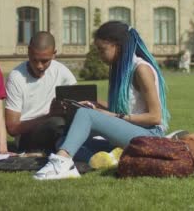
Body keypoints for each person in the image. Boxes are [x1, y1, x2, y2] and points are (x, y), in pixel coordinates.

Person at [34, 21, 171, 180]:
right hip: (132, 133)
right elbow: (130, 108)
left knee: (86, 115)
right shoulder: (121, 70)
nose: (99, 55)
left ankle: (62, 163)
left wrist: (109, 116)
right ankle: (113, 160)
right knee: (63, 141)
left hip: (150, 135)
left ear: (117, 46)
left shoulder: (141, 70)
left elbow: (155, 117)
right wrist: (97, 105)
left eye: (102, 50)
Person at [5, 31, 77, 152]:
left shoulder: (61, 71)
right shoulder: (16, 77)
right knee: (57, 123)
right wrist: (49, 116)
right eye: (35, 60)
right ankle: (66, 151)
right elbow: (12, 128)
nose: (39, 66)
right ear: (28, 51)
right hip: (26, 137)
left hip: (57, 127)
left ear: (54, 54)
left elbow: (78, 103)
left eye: (44, 61)